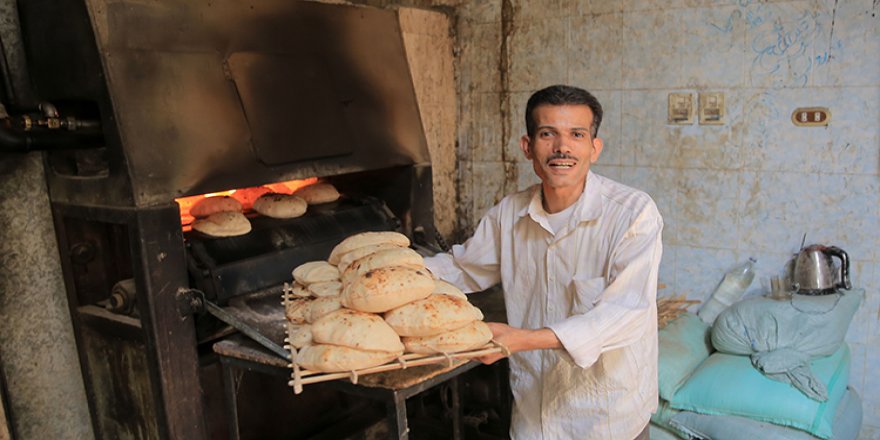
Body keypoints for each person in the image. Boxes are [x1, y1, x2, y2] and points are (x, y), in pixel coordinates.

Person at [424, 85, 663, 440]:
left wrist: (523, 340)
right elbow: (462, 269)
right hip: (534, 416)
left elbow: (626, 315)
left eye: (576, 135)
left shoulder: (633, 214)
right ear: (528, 146)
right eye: (548, 134)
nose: (562, 148)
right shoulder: (510, 213)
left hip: (607, 420)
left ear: (594, 148)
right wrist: (395, 271)